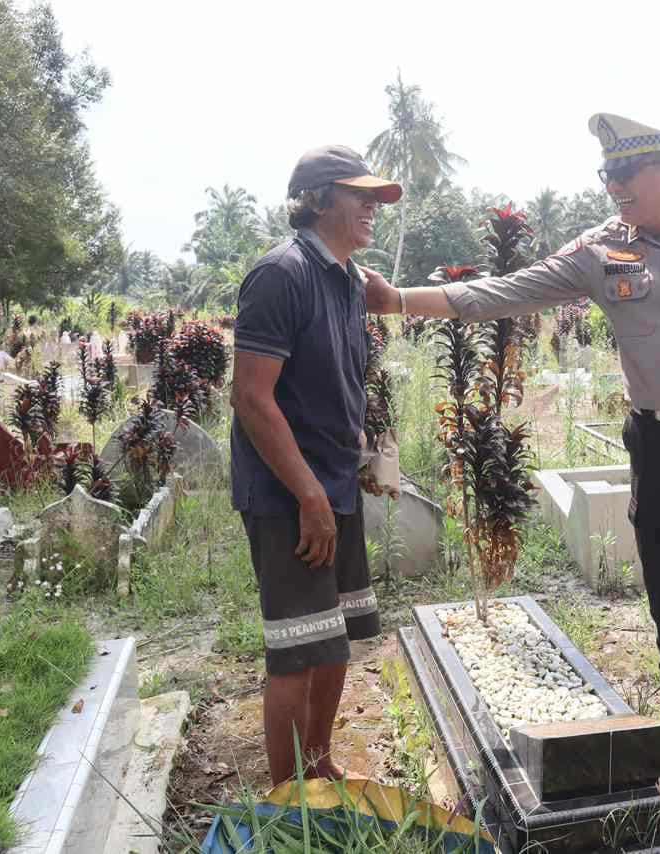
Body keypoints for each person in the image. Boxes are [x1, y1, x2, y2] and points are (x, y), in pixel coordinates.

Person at [379, 114, 660, 778]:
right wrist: (397, 299)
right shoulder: (598, 250)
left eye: (626, 173)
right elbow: (504, 292)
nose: (614, 187)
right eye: (607, 174)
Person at [229, 145, 402, 785]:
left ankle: (318, 763)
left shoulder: (348, 282)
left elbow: (333, 384)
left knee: (335, 641)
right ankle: (287, 797)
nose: (372, 210)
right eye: (362, 196)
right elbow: (252, 396)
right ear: (320, 199)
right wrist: (308, 495)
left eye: (376, 199)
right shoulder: (283, 274)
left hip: (333, 487)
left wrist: (363, 456)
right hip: (288, 497)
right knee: (297, 653)